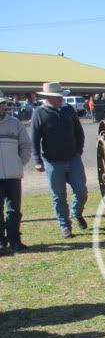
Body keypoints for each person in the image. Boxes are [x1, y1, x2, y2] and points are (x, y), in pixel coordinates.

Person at [30, 82, 87, 239]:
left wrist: (79, 150)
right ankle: (65, 226)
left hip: (73, 158)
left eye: (60, 96)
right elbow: (35, 138)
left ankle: (77, 212)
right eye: (56, 97)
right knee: (58, 196)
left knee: (81, 191)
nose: (60, 99)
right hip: (52, 161)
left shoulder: (68, 110)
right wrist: (37, 160)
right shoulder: (39, 113)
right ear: (48, 98)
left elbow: (79, 132)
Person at [0, 92, 33, 252]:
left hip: (13, 174)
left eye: (2, 103)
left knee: (14, 210)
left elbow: (26, 145)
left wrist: (20, 162)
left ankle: (14, 239)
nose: (1, 106)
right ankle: (1, 242)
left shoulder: (15, 123)